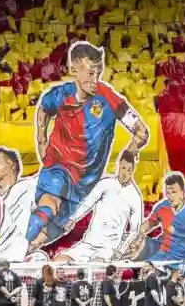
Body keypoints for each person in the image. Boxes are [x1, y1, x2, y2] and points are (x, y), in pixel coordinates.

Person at [27, 42, 148, 255]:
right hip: (58, 166)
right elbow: (44, 109)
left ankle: (17, 251)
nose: (95, 79)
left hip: (84, 184)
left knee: (48, 234)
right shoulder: (60, 94)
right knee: (50, 204)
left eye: (98, 73)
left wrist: (131, 150)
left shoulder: (108, 97)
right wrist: (41, 140)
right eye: (90, 73)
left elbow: (142, 131)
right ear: (74, 70)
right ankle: (16, 243)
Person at [56, 151, 144, 263]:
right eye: (123, 168)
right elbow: (87, 203)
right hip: (89, 243)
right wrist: (73, 219)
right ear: (119, 166)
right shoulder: (105, 184)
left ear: (133, 170)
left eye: (129, 170)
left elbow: (134, 230)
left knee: (94, 266)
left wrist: (120, 251)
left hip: (108, 248)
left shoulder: (135, 197)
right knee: (59, 261)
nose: (125, 173)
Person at [126, 171, 185, 263]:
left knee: (148, 267)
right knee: (135, 249)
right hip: (160, 245)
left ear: (183, 192)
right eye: (168, 193)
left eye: (174, 192)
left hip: (178, 254)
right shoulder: (162, 207)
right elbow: (149, 223)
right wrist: (140, 234)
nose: (170, 196)